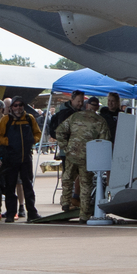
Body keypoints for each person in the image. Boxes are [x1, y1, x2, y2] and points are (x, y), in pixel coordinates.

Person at [55, 94, 112, 222]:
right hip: (88, 157)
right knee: (86, 184)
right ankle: (84, 214)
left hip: (72, 153)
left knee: (67, 178)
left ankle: (65, 202)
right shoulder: (100, 121)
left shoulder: (75, 116)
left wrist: (65, 147)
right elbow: (104, 141)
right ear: (96, 108)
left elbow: (59, 131)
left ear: (86, 106)